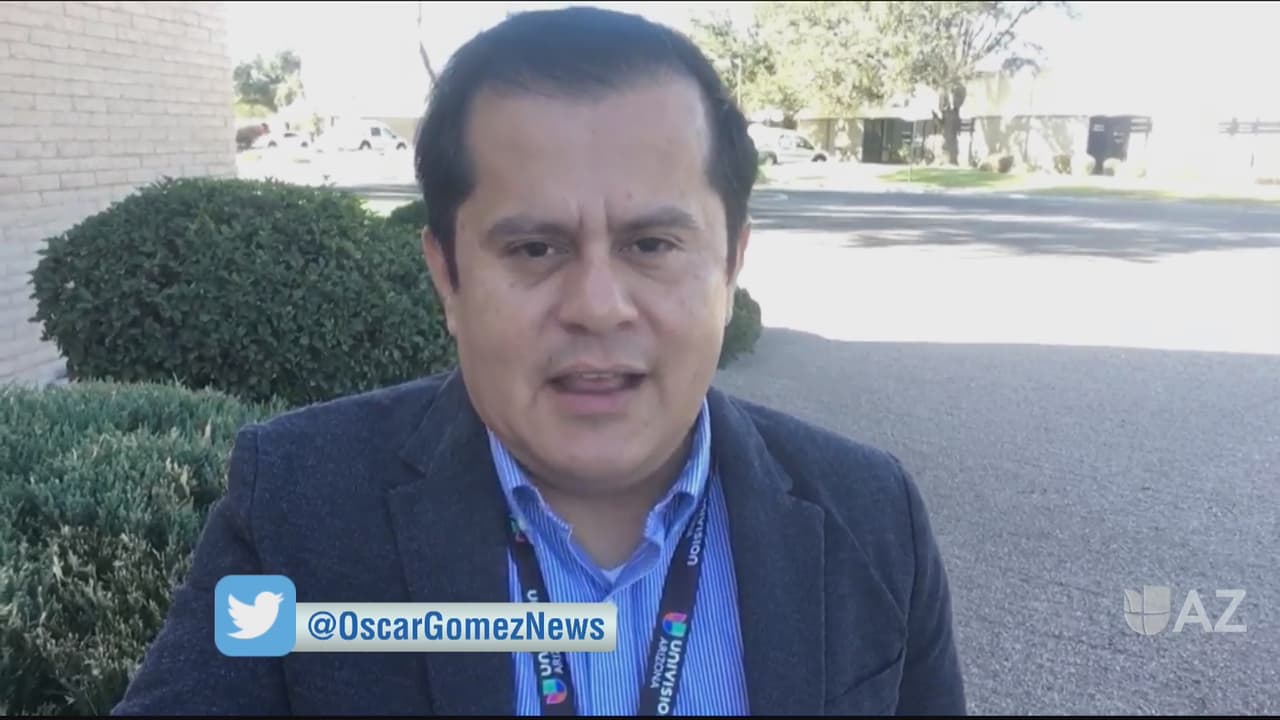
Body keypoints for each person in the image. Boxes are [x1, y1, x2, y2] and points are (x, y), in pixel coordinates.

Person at [112, 6, 965, 717]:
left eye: (652, 243)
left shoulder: (869, 516)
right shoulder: (300, 507)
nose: (597, 305)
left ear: (732, 263)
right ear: (448, 276)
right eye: (533, 248)